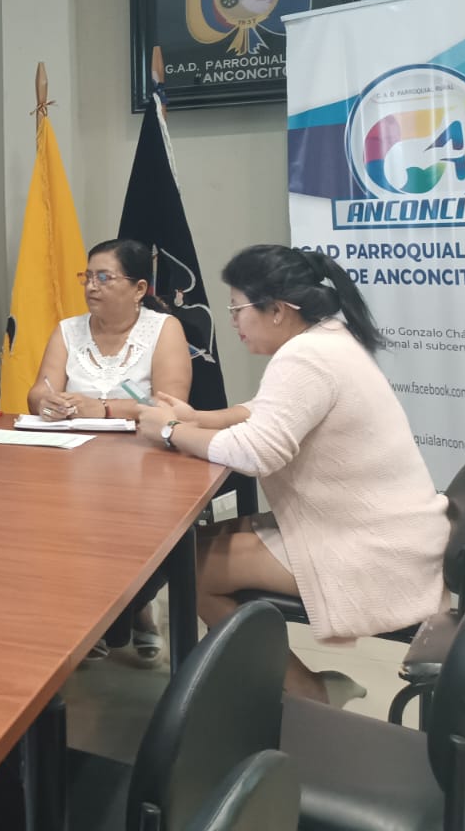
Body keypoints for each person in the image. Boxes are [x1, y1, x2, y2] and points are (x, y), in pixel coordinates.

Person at [137, 245, 448, 705]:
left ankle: (309, 693)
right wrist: (198, 419)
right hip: (382, 529)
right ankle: (275, 681)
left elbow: (255, 452)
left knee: (192, 569)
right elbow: (268, 411)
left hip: (373, 549)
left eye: (237, 308)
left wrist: (169, 430)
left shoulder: (306, 358)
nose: (234, 322)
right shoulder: (326, 339)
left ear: (278, 310)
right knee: (194, 546)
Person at [28, 238, 193, 664]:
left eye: (104, 277)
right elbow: (38, 391)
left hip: (146, 463)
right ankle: (88, 618)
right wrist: (48, 403)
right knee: (54, 524)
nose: (91, 286)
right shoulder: (68, 330)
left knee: (139, 529)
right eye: (87, 277)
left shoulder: (163, 329)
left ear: (139, 289)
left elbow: (172, 405)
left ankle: (137, 606)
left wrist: (103, 409)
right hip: (72, 461)